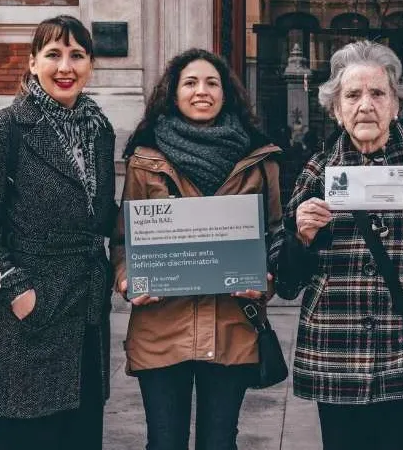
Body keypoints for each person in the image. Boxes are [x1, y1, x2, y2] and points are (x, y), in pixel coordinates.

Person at [272, 41, 403, 450]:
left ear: (396, 105)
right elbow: (285, 280)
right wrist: (300, 236)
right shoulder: (318, 170)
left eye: (377, 93)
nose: (365, 105)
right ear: (335, 108)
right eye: (352, 95)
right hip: (335, 348)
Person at [0, 15, 118, 450]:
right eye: (53, 55)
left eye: (77, 56)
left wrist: (162, 228)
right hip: (22, 326)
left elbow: (101, 218)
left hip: (84, 318)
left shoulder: (100, 132)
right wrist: (20, 293)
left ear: (90, 66)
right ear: (32, 63)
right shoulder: (1, 130)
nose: (65, 67)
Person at [113, 48, 283, 450]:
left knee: (219, 442)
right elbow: (122, 241)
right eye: (190, 83)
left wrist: (267, 280)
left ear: (227, 94)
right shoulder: (144, 161)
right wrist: (126, 279)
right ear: (173, 94)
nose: (201, 91)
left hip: (231, 326)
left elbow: (276, 235)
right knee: (164, 442)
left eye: (212, 83)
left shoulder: (260, 161)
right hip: (161, 327)